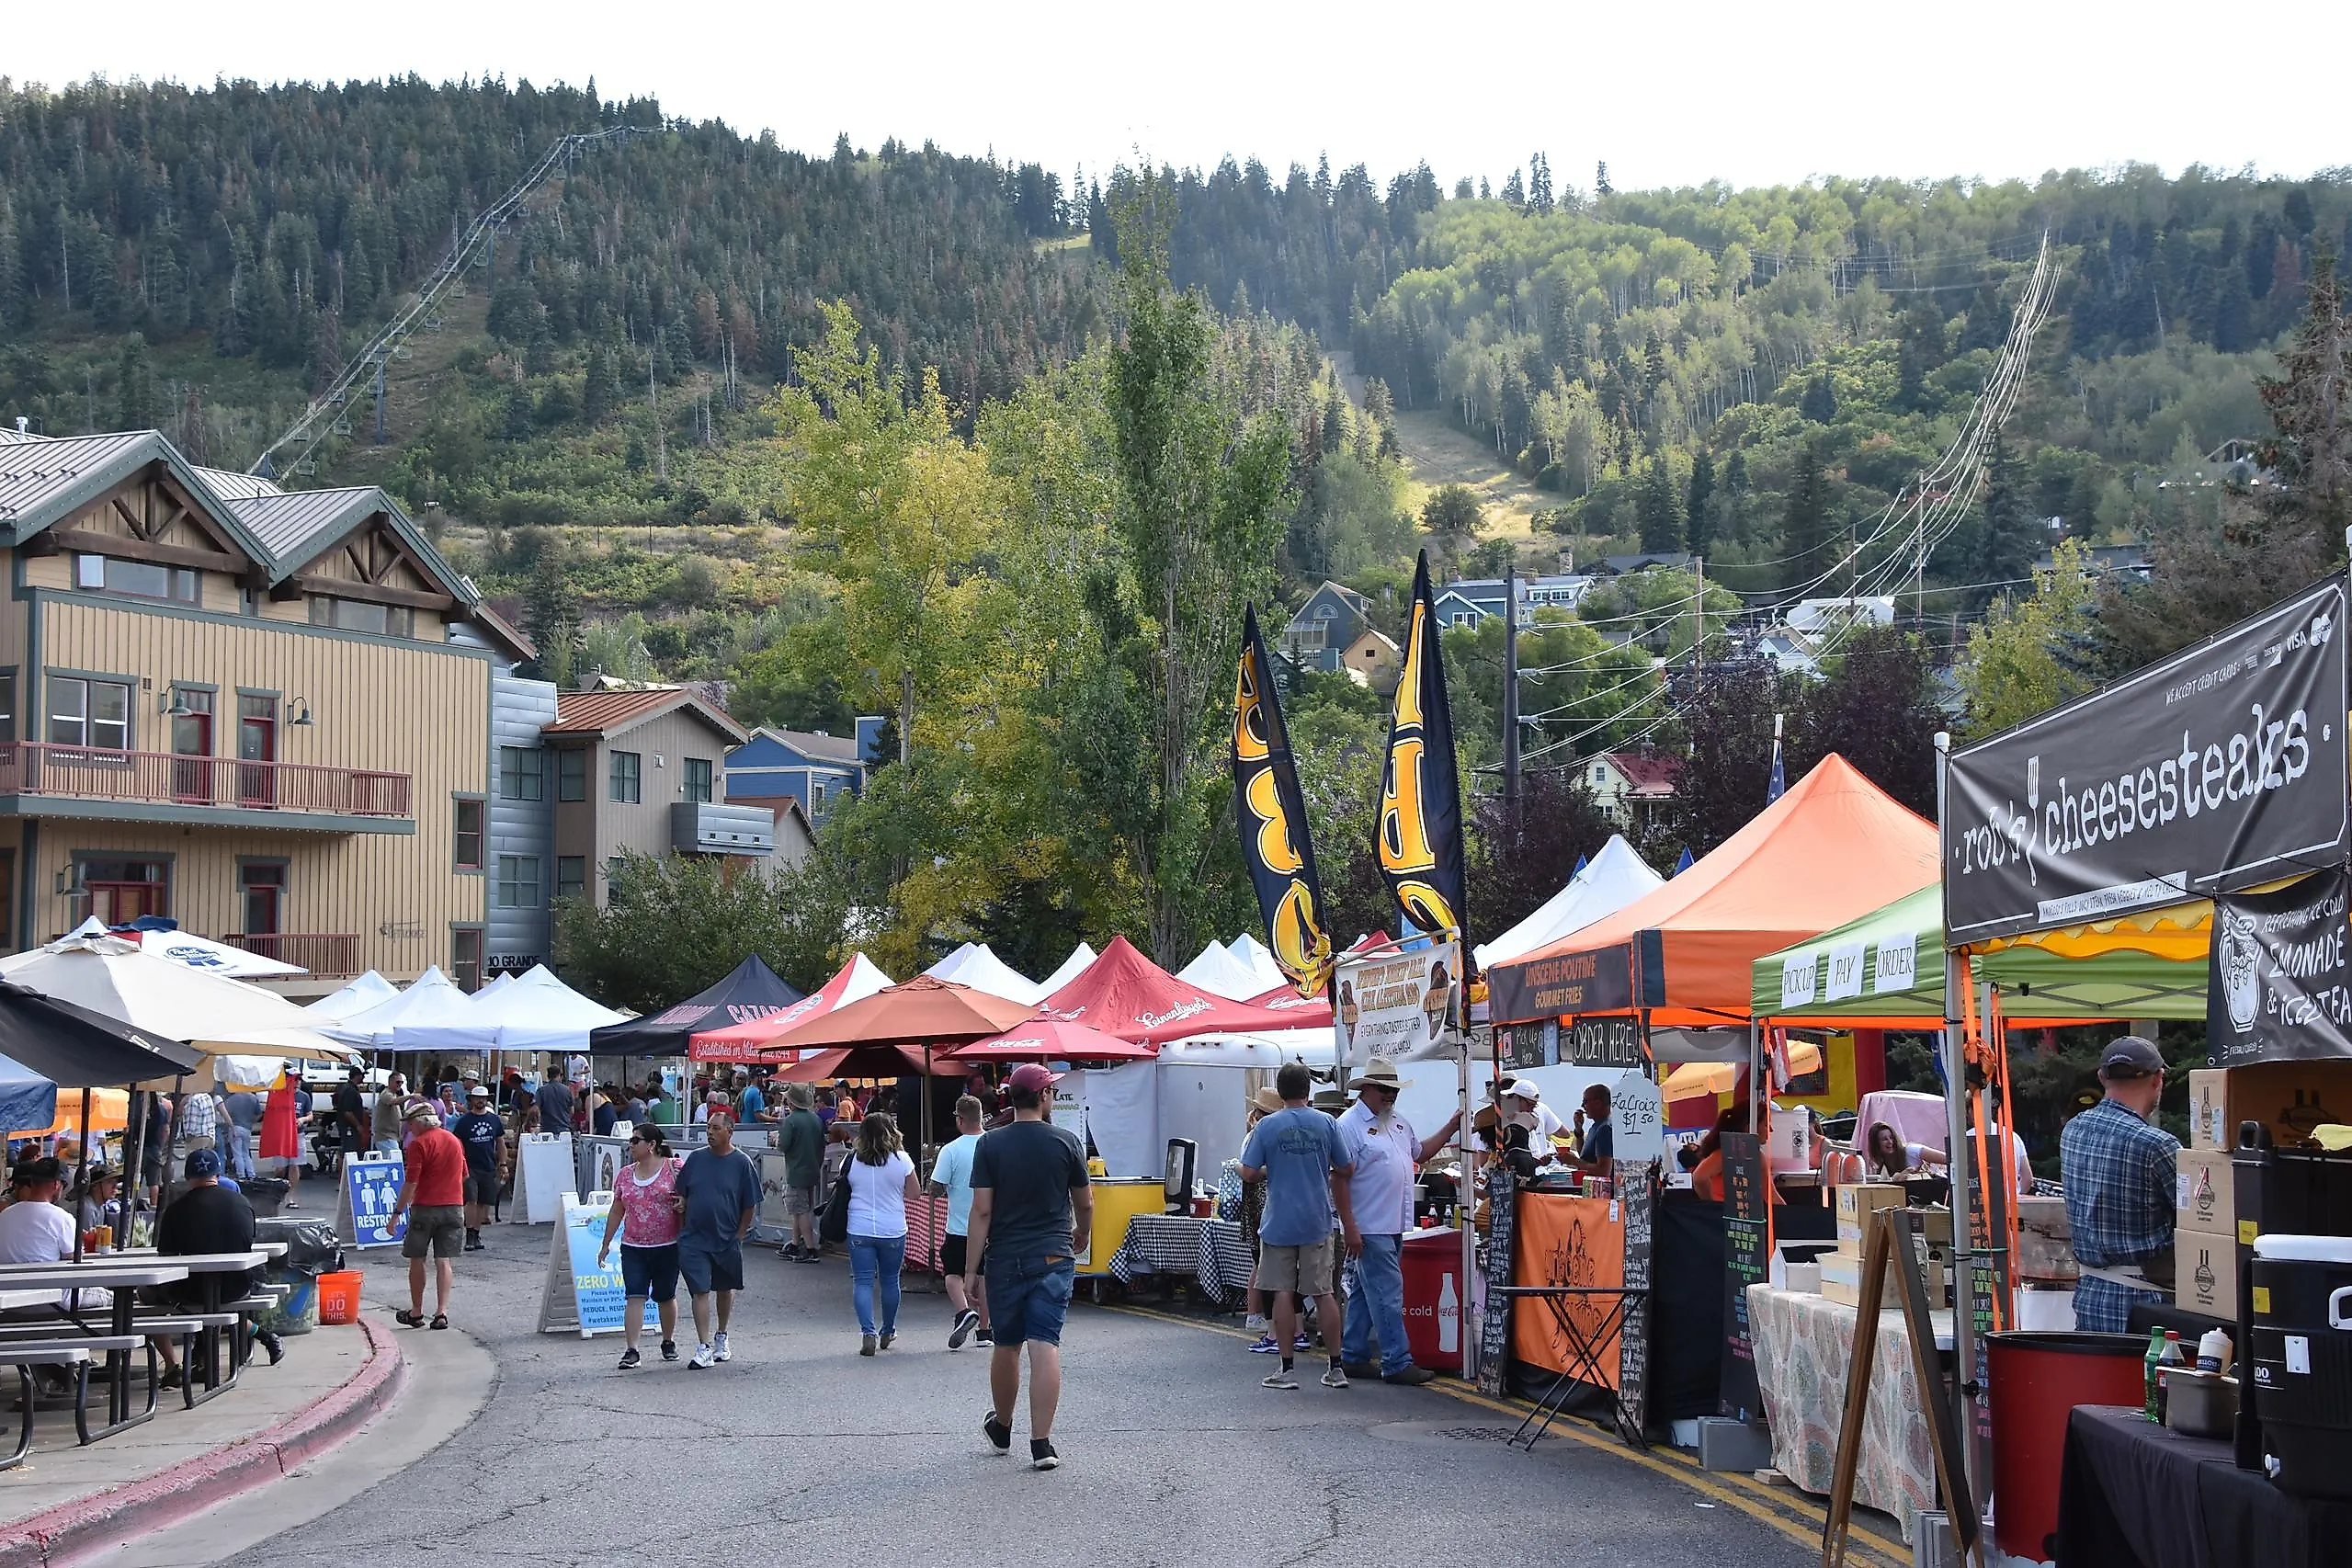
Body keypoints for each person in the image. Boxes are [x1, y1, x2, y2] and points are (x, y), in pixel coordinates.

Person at [963, 1063, 1091, 1471]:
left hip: (1005, 1257)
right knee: (1044, 1344)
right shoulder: (1067, 1141)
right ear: (1044, 1097)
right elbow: (1085, 1201)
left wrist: (970, 1270)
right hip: (1054, 1254)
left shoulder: (990, 1145)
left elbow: (982, 1210)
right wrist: (1082, 1233)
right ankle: (1042, 1445)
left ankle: (1002, 1427)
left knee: (1007, 1344)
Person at [1335, 1056, 1460, 1385]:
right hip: (1371, 1224)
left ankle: (1354, 1353)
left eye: (1394, 1089)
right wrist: (1350, 1226)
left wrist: (1450, 1128)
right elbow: (1339, 1178)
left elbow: (1420, 1153)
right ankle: (1396, 1360)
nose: (1391, 1095)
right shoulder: (1349, 1126)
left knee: (1366, 1291)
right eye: (1385, 1089)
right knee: (1387, 1293)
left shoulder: (1398, 1123)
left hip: (1388, 1223)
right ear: (1368, 1089)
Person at [1240, 1063, 1356, 1391]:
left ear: (1280, 1090)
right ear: (1308, 1089)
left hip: (1279, 1220)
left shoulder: (1267, 1126)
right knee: (1324, 1293)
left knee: (1282, 1292)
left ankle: (1287, 1369)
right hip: (1317, 1219)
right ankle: (1336, 1368)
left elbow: (1249, 1173)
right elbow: (1346, 1167)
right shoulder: (1327, 1123)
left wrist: (1267, 1168)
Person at [2061, 1036, 2179, 1333]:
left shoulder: (2072, 1131)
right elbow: (2201, 1222)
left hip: (2091, 1296)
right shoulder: (2158, 1145)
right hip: (2145, 1305)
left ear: (2102, 1077)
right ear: (2158, 1079)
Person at [149, 1149, 278, 1383]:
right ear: (217, 1173)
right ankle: (204, 1358)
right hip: (236, 1287)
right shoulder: (242, 1203)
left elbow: (165, 1258)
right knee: (216, 1303)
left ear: (188, 1177)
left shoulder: (175, 1210)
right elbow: (248, 1242)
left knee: (145, 1294)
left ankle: (172, 1364)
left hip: (188, 1292)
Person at [672, 1107, 760, 1369]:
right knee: (699, 1289)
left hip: (726, 1238)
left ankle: (722, 1336)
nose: (709, 1132)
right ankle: (703, 1346)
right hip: (694, 1238)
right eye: (708, 1127)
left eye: (715, 1128)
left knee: (724, 1288)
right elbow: (683, 1192)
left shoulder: (742, 1163)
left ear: (729, 1132)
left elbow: (750, 1203)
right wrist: (681, 1203)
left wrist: (740, 1234)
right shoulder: (697, 1159)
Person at [597, 1124, 681, 1369]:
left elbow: (689, 1195)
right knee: (635, 1295)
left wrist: (683, 1204)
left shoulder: (673, 1168)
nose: (630, 1145)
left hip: (667, 1244)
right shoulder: (624, 1174)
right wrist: (606, 1244)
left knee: (665, 1295)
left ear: (651, 1145)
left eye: (635, 1141)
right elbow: (617, 1210)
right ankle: (632, 1349)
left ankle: (668, 1340)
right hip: (633, 1245)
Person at [844, 1111, 918, 1356]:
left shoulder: (852, 1159)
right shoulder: (902, 1160)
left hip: (859, 1227)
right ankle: (888, 1329)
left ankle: (868, 1332)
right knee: (890, 1280)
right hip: (892, 1228)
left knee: (863, 1281)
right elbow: (915, 1194)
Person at [391, 1102, 466, 1329]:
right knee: (444, 1260)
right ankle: (442, 1312)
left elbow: (411, 1182)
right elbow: (463, 1175)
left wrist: (396, 1214)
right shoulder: (454, 1140)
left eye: (410, 1123)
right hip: (454, 1207)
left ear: (421, 1122)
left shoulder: (419, 1144)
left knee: (417, 1258)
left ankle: (416, 1311)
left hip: (425, 1207)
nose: (409, 1128)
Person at [929, 1095, 989, 1348]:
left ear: (960, 1119)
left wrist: (944, 1188)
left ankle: (965, 1312)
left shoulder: (951, 1150)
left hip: (959, 1226)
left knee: (953, 1274)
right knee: (985, 1277)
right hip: (991, 1226)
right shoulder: (993, 1144)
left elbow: (935, 1187)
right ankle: (986, 1332)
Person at [449, 1085, 505, 1251]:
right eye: (477, 1098)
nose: (480, 1101)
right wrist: (459, 1164)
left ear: (487, 1100)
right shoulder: (465, 1121)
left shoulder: (494, 1119)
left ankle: (476, 1233)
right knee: (471, 1201)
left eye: (483, 1098)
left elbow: (500, 1143)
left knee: (483, 1202)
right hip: (469, 1167)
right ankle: (469, 1234)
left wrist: (502, 1163)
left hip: (488, 1165)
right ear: (471, 1099)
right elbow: (457, 1144)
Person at [776, 1084, 825, 1264]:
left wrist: (777, 1140)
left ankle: (810, 1249)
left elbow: (783, 1146)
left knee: (801, 1211)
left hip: (796, 1170)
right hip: (812, 1169)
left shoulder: (791, 1121)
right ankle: (796, 1244)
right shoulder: (816, 1119)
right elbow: (822, 1145)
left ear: (791, 1101)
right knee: (801, 1209)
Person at [222, 1085, 263, 1179]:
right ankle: (251, 1174)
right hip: (247, 1128)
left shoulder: (232, 1099)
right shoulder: (253, 1098)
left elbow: (225, 1113)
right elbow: (259, 1113)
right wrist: (252, 1121)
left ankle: (241, 1175)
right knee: (246, 1153)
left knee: (237, 1154)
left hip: (235, 1127)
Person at [1574, 1083, 1614, 1170]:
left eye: (1585, 1101)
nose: (1582, 1106)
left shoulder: (1605, 1129)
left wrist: (1573, 1161)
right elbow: (1585, 1157)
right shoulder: (1597, 1126)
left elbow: (1604, 1171)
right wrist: (1578, 1131)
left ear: (1598, 1103)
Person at [371, 1073, 408, 1156]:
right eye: (398, 1082)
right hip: (385, 1137)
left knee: (388, 1163)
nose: (400, 1084)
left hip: (392, 1137)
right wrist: (411, 1096)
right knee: (395, 1160)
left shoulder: (394, 1094)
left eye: (401, 1082)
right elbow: (392, 1101)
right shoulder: (386, 1093)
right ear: (390, 1082)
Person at [534, 1074, 575, 1142]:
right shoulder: (567, 1090)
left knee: (547, 1152)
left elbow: (536, 1109)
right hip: (564, 1131)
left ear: (548, 1076)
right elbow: (572, 1111)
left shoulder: (541, 1090)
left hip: (547, 1130)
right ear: (559, 1075)